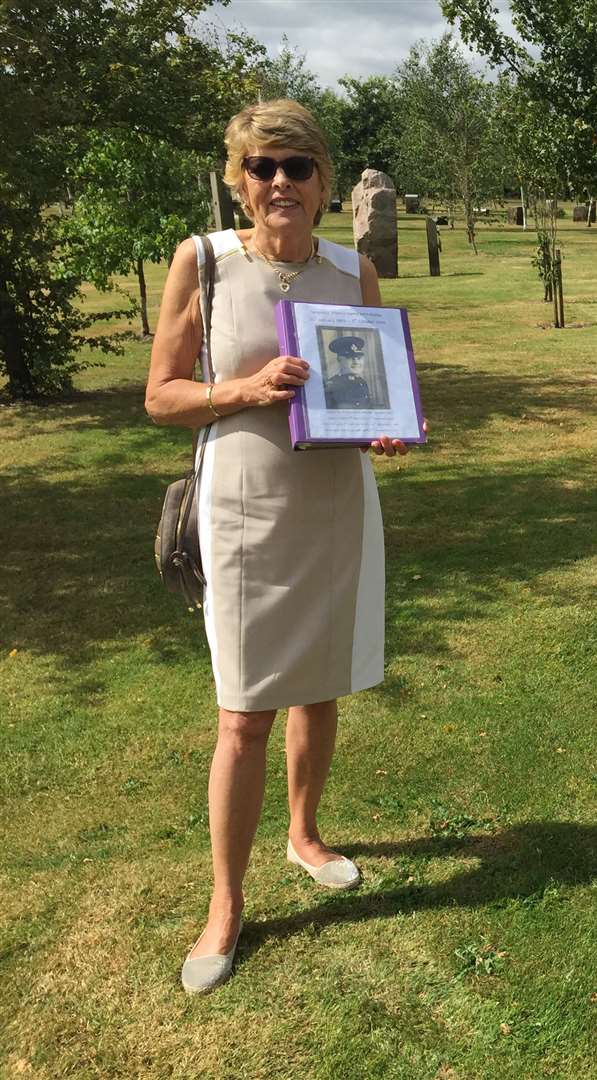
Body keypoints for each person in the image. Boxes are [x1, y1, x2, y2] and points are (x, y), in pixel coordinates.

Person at [144, 99, 422, 994]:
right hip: (244, 512)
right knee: (243, 714)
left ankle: (304, 835)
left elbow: (374, 390)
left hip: (336, 507)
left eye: (296, 168)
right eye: (260, 168)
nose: (278, 184)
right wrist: (250, 388)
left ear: (324, 181)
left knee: (321, 688)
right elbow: (161, 396)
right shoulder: (207, 262)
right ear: (238, 180)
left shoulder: (353, 272)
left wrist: (386, 430)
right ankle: (226, 903)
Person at [324, 336, 373, 409]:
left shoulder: (362, 382)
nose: (356, 362)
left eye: (359, 358)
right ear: (339, 359)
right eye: (350, 357)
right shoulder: (332, 384)